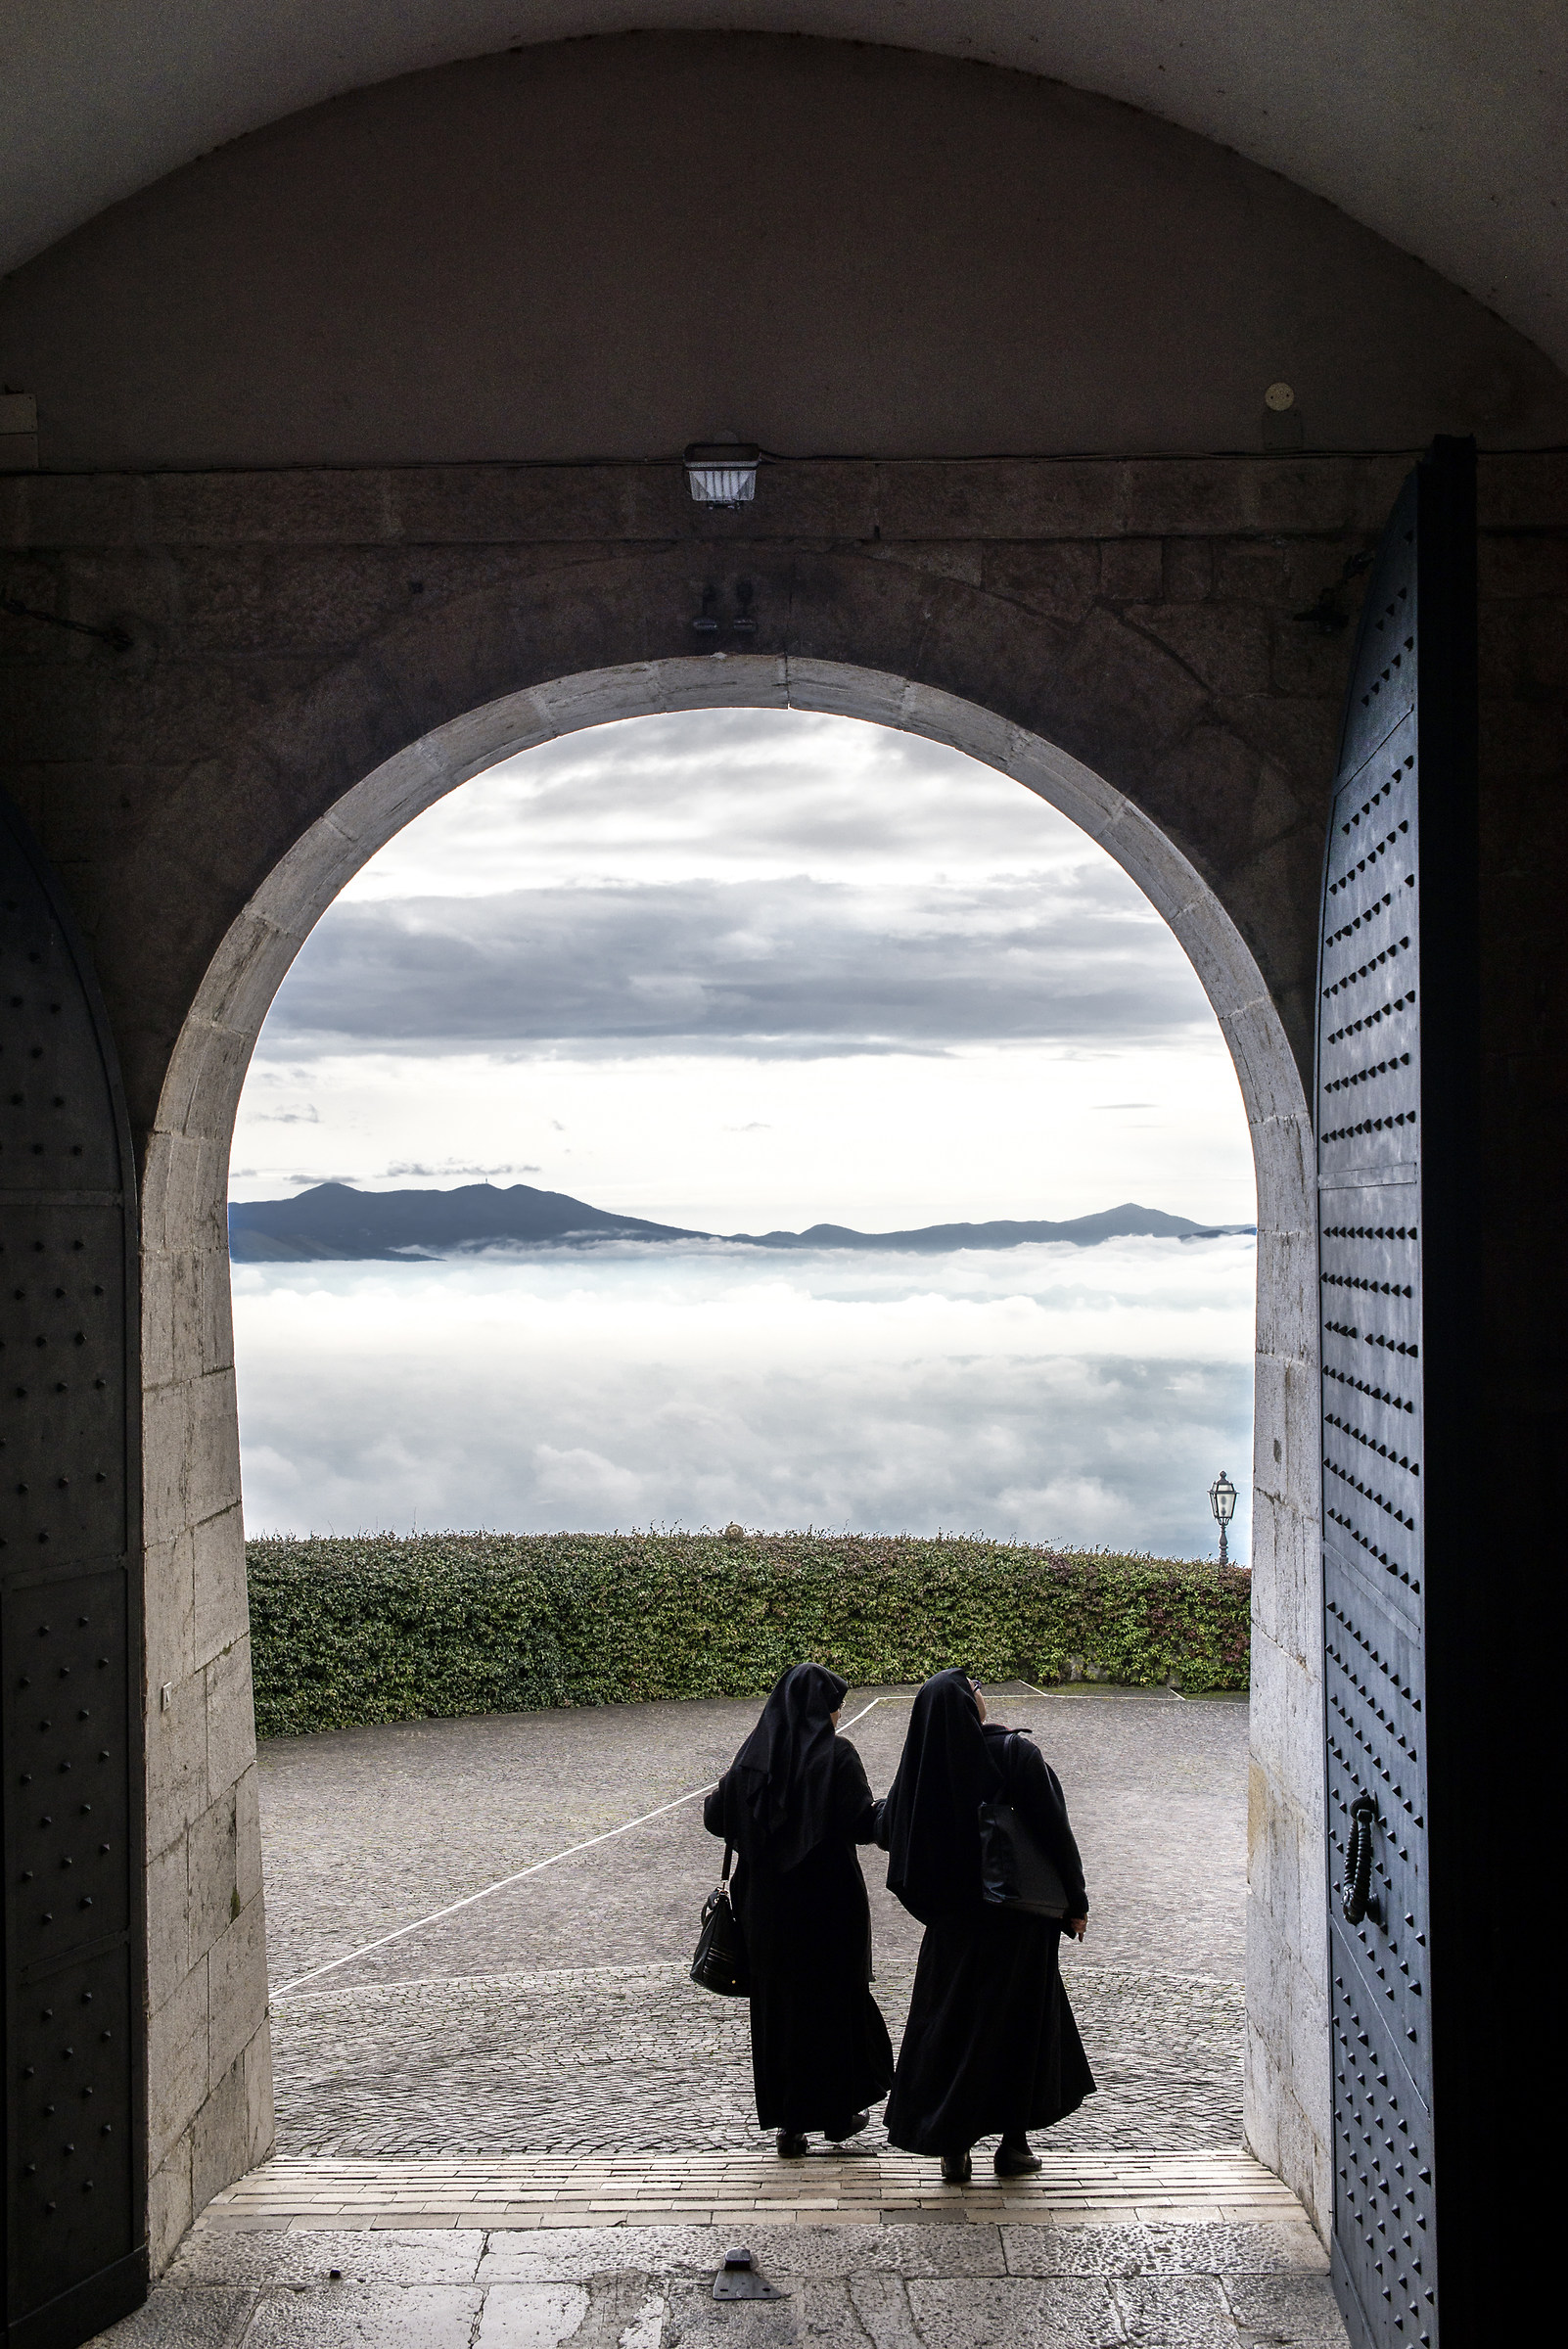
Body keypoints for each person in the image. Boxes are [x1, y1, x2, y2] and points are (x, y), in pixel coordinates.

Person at [879, 1666, 1094, 2182]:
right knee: (1020, 2026)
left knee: (951, 2028)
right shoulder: (1013, 1755)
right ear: (966, 1702)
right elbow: (1054, 1831)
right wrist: (1075, 1902)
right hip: (1017, 1921)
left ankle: (952, 2142)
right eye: (975, 1689)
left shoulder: (921, 1768)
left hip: (953, 1927)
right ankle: (1013, 2144)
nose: (982, 1694)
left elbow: (889, 1831)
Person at [704, 1662, 895, 2156]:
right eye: (836, 1708)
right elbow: (862, 1826)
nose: (837, 1717)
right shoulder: (837, 1756)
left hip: (765, 1909)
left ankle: (791, 2124)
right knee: (832, 2005)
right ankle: (836, 2113)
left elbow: (713, 1817)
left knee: (778, 2011)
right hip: (827, 1906)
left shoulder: (752, 1759)